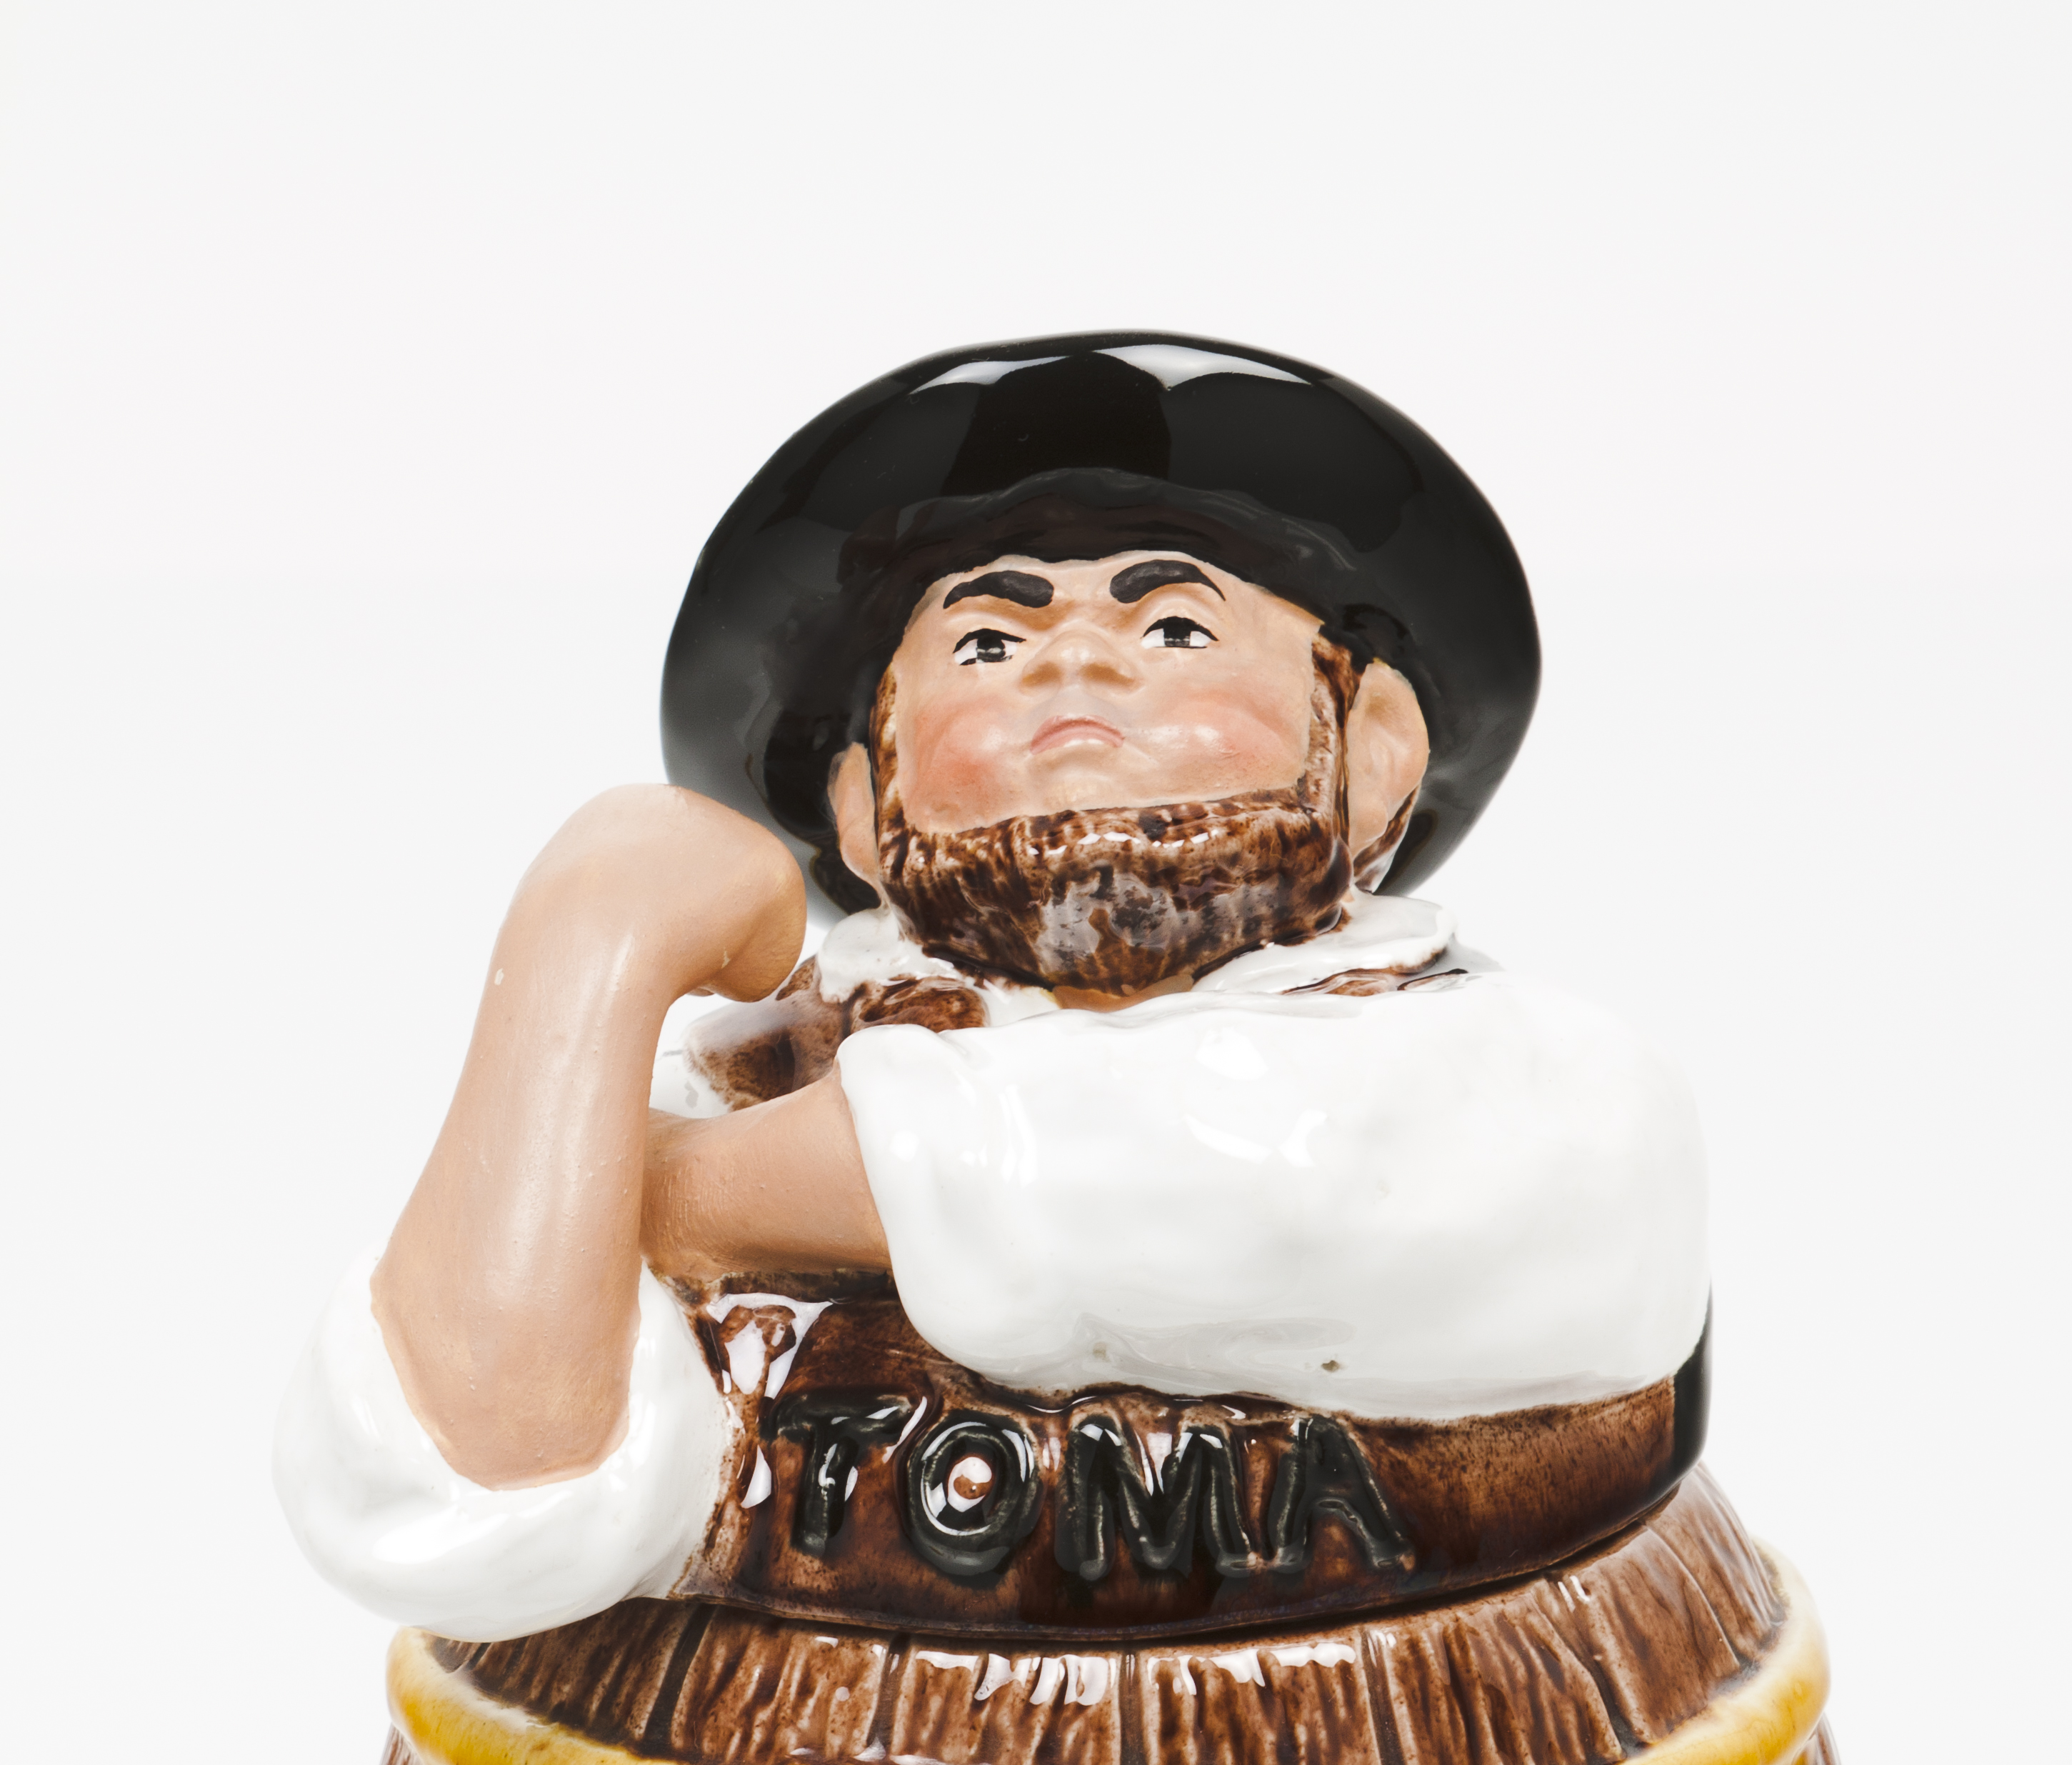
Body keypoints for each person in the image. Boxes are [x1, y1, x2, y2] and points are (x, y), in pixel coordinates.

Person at [276, 336, 1708, 1639]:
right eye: (985, 644)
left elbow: (1273, 1177)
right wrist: (587, 942)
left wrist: (649, 1194)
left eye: (1174, 628)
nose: (1073, 656)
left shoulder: (1529, 1085)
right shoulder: (726, 1077)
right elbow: (462, 1489)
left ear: (1376, 746)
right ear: (863, 800)